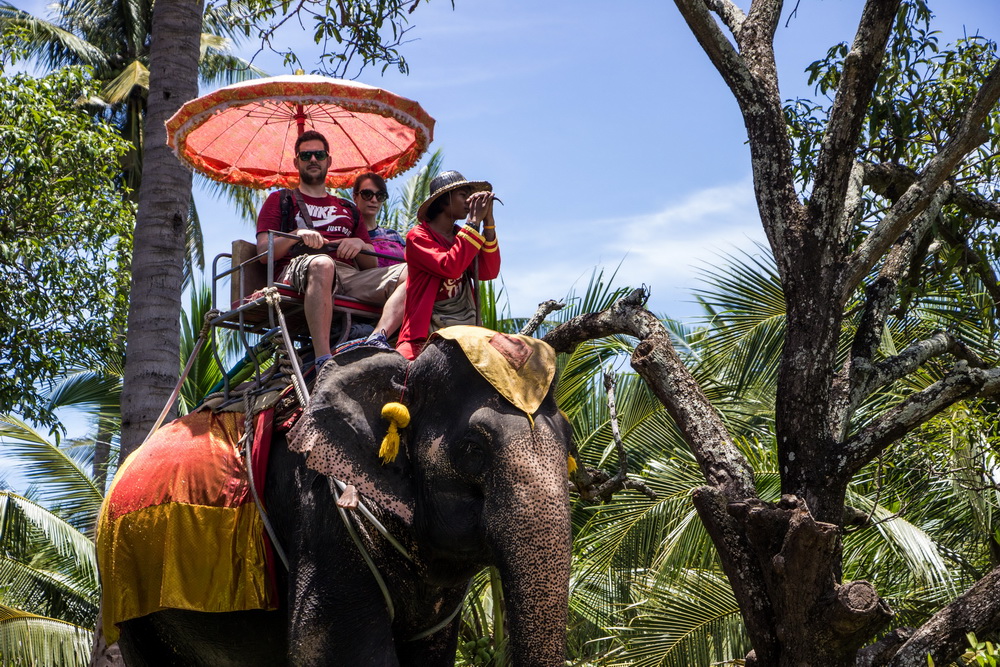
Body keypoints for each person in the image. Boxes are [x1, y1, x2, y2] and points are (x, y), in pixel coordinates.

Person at [256, 130, 406, 367]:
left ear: (328, 160)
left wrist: (360, 244)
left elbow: (372, 264)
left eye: (319, 154)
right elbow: (265, 254)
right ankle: (324, 359)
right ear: (296, 162)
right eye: (306, 156)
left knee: (412, 272)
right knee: (323, 264)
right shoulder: (281, 200)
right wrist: (296, 235)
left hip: (349, 275)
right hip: (301, 270)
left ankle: (378, 337)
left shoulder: (348, 208)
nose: (313, 160)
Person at [395, 170, 500, 360]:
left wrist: (488, 224)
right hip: (424, 332)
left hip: (466, 328)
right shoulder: (418, 236)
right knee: (402, 375)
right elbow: (450, 267)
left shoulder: (465, 234)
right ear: (444, 200)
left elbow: (487, 272)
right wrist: (474, 223)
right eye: (463, 195)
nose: (469, 201)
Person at [352, 172, 405, 267]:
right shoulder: (348, 235)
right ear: (355, 197)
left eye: (380, 195)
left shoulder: (393, 235)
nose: (374, 200)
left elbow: (412, 262)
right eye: (367, 194)